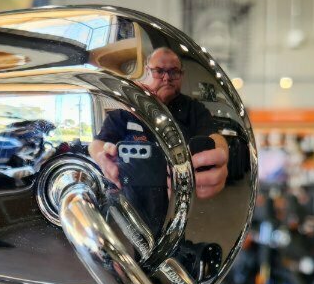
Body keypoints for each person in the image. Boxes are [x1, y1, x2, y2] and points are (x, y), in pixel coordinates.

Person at [88, 47, 230, 200]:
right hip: (130, 196)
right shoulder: (127, 109)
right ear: (147, 71)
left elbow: (214, 136)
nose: (167, 78)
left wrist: (220, 155)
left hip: (178, 197)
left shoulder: (194, 109)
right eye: (159, 71)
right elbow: (97, 143)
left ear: (181, 75)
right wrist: (102, 157)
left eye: (174, 72)